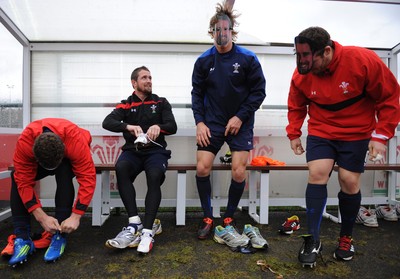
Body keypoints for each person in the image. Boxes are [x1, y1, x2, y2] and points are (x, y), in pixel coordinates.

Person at [286, 26, 400, 267]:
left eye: (309, 58)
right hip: (322, 130)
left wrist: (380, 136)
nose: (303, 64)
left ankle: (346, 237)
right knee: (317, 173)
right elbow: (297, 104)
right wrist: (294, 133)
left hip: (356, 132)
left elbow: (389, 97)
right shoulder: (302, 74)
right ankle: (313, 239)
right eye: (298, 56)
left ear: (326, 51)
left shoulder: (362, 61)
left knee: (349, 180)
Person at [191, 0, 266, 245]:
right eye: (217, 30)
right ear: (211, 32)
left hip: (240, 123)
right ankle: (208, 217)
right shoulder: (203, 61)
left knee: (239, 170)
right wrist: (200, 123)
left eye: (226, 30)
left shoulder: (247, 58)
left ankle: (228, 218)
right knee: (202, 167)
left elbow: (259, 92)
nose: (221, 34)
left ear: (232, 31)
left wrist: (240, 116)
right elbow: (196, 93)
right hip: (211, 122)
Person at [103, 66, 177, 254]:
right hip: (133, 151)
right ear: (134, 83)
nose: (149, 81)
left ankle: (148, 231)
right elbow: (107, 122)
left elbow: (172, 126)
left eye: (150, 77)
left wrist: (158, 127)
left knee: (154, 175)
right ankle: (134, 224)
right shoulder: (125, 104)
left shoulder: (161, 102)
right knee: (121, 167)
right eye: (144, 78)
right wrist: (128, 126)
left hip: (156, 152)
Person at [5, 118, 96, 267]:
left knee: (64, 170)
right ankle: (22, 237)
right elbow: (24, 182)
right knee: (16, 176)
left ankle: (60, 234)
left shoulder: (75, 141)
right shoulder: (25, 143)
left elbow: (88, 179)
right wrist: (41, 217)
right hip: (36, 151)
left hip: (67, 154)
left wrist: (76, 216)